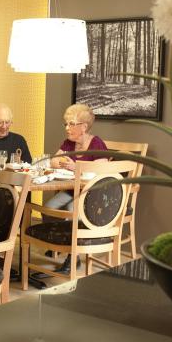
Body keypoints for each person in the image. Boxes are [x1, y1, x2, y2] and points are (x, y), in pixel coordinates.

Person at [46, 103, 108, 274]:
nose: (67, 128)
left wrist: (77, 166)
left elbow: (102, 168)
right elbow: (53, 160)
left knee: (72, 210)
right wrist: (59, 162)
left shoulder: (96, 143)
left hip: (91, 192)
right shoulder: (68, 143)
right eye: (66, 124)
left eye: (71, 124)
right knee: (49, 208)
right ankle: (58, 243)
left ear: (84, 127)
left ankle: (73, 257)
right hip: (71, 188)